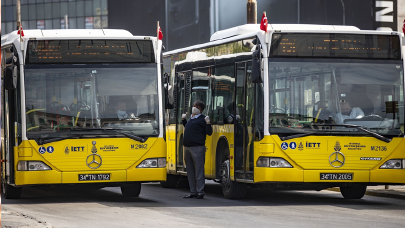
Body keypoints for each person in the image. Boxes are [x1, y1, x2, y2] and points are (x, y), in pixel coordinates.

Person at [182, 100, 213, 199]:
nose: (195, 107)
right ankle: (193, 191)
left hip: (197, 148)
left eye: (197, 107)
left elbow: (209, 132)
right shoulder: (191, 118)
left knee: (199, 170)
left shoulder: (203, 119)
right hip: (187, 147)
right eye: (194, 105)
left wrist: (208, 123)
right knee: (190, 171)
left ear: (201, 110)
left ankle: (200, 192)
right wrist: (184, 120)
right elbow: (189, 128)